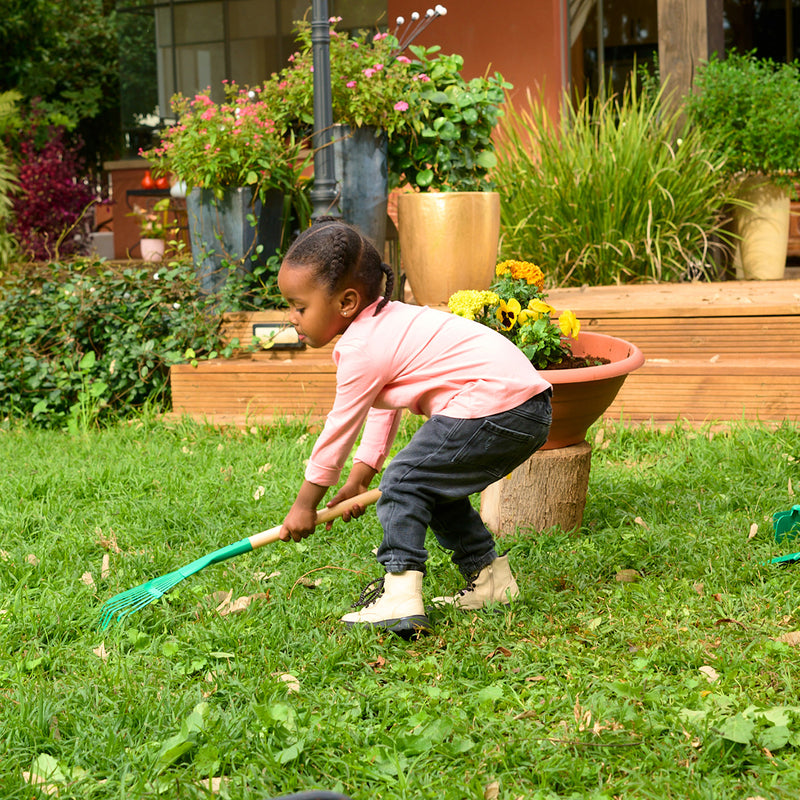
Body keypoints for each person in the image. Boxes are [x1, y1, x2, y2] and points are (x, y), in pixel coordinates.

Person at [277, 217, 552, 639]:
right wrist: (358, 479)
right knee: (430, 484)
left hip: (496, 405)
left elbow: (339, 429)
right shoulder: (387, 322)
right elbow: (383, 407)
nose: (291, 317)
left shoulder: (361, 345)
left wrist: (304, 505)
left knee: (404, 480)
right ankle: (490, 579)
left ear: (346, 302)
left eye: (299, 306)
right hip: (526, 408)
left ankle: (400, 593)